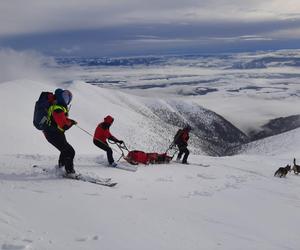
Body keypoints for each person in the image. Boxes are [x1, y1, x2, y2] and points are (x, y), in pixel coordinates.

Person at [43, 88, 77, 176]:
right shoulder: (57, 108)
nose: (66, 100)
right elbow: (64, 125)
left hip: (55, 133)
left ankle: (60, 168)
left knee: (64, 150)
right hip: (53, 134)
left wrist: (70, 121)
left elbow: (60, 120)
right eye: (65, 97)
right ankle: (69, 172)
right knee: (70, 151)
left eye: (68, 98)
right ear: (59, 97)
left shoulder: (58, 107)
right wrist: (71, 123)